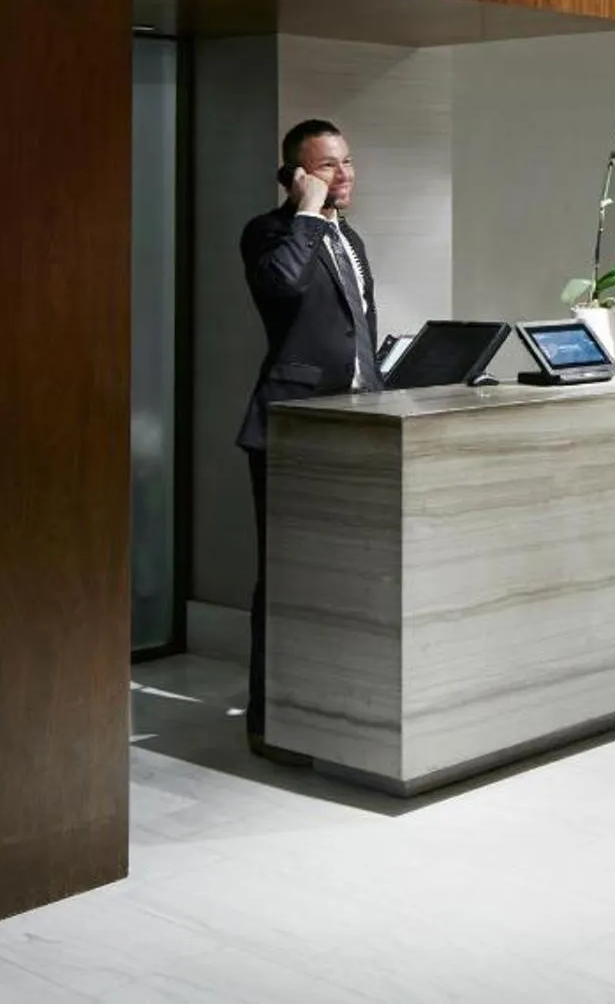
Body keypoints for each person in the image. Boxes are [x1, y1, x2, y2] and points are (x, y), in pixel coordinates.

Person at [236, 118, 386, 761]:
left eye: (347, 162)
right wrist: (307, 212)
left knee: (346, 575)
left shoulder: (350, 239)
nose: (345, 174)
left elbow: (356, 330)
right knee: (287, 577)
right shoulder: (270, 233)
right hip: (291, 429)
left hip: (354, 428)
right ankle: (269, 725)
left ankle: (335, 709)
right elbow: (282, 288)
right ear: (295, 176)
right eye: (328, 166)